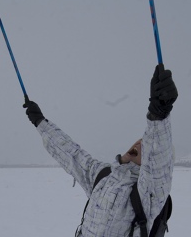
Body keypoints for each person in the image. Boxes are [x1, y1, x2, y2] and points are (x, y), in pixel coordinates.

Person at [23, 64, 178, 237]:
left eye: (146, 147)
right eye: (139, 141)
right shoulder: (102, 175)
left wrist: (159, 114)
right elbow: (71, 153)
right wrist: (41, 123)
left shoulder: (148, 193)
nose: (139, 145)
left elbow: (159, 162)